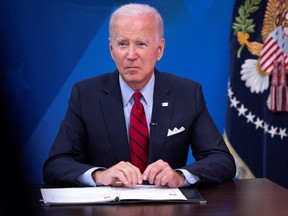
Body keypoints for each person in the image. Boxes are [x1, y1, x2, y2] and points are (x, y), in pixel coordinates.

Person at [42, 3, 236, 188]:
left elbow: (222, 160)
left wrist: (179, 176)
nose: (131, 54)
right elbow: (56, 164)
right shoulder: (85, 95)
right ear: (111, 49)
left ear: (159, 49)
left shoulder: (186, 93)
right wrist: (100, 175)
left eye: (141, 44)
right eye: (123, 44)